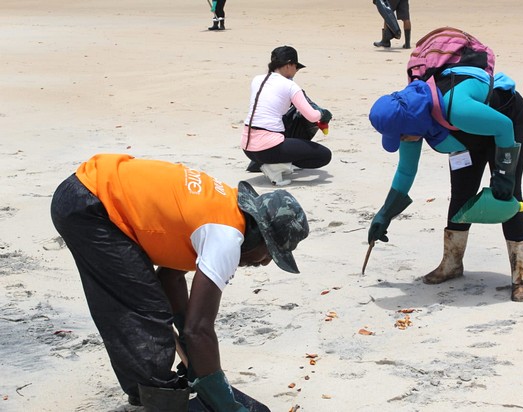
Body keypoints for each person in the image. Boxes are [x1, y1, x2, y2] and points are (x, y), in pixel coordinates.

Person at [50, 153, 310, 410]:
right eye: (270, 253)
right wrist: (223, 402)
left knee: (149, 301)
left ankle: (150, 390)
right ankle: (158, 397)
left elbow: (170, 278)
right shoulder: (226, 238)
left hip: (92, 189)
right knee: (145, 311)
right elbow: (199, 330)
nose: (264, 262)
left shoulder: (226, 207)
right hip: (91, 205)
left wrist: (193, 355)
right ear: (259, 233)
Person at [367, 67, 523, 302]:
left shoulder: (453, 108)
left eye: (402, 136)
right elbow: (406, 170)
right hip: (466, 138)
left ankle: (521, 277)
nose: (403, 141)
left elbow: (504, 126)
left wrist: (504, 175)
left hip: (505, 123)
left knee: (509, 196)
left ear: (409, 125)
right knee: (461, 195)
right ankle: (452, 264)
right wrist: (385, 213)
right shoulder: (412, 119)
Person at [242, 45, 333, 186]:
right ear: (289, 65)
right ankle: (275, 166)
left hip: (247, 147)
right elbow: (312, 116)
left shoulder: (257, 80)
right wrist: (322, 113)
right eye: (296, 67)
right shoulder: (290, 85)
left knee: (285, 123)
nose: (296, 71)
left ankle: (270, 163)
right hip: (268, 148)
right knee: (324, 155)